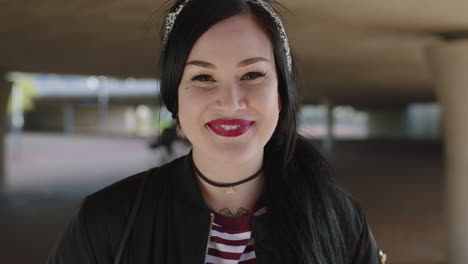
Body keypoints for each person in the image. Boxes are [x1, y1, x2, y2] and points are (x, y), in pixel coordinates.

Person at [47, 0, 386, 263]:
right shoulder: (105, 222)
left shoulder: (340, 219)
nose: (231, 102)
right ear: (175, 99)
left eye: (252, 75)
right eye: (203, 77)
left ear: (281, 94)